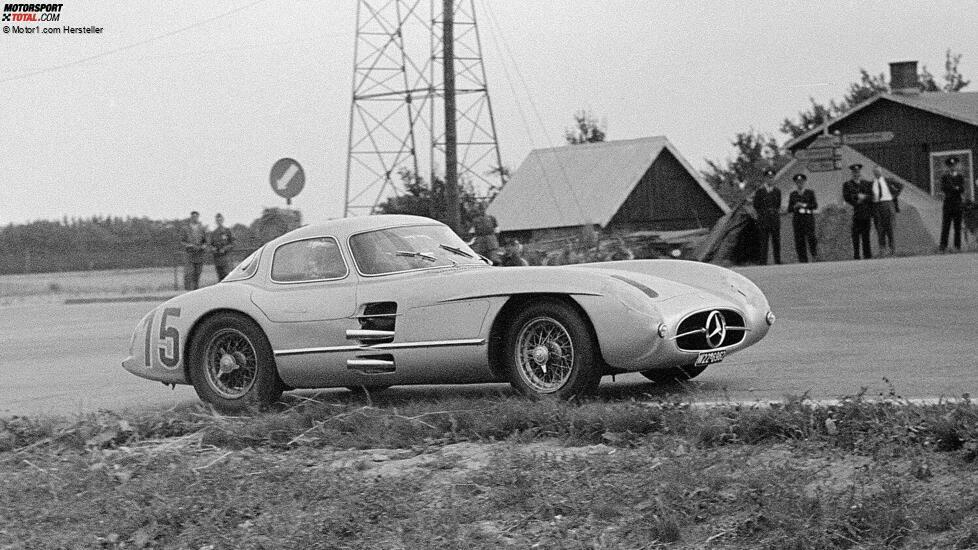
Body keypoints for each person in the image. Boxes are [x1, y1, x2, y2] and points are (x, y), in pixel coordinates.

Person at [842, 163, 874, 260]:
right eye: (854, 172)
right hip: (855, 212)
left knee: (866, 236)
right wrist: (856, 198)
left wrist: (864, 197)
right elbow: (847, 197)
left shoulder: (866, 184)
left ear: (860, 172)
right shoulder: (848, 184)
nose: (856, 173)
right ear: (852, 173)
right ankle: (856, 255)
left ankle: (867, 255)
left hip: (865, 212)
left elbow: (872, 196)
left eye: (858, 172)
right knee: (855, 235)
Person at [870, 165, 902, 256]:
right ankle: (882, 250)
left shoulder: (888, 180)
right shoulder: (873, 183)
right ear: (873, 173)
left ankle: (892, 250)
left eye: (878, 171)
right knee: (880, 228)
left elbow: (900, 186)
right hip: (877, 206)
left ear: (881, 172)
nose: (877, 173)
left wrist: (894, 196)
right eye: (875, 172)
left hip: (888, 204)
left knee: (890, 227)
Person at [752, 167, 782, 265]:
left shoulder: (777, 191)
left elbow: (778, 205)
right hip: (764, 220)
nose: (770, 179)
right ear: (765, 178)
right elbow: (756, 205)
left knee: (776, 241)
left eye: (772, 177)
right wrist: (764, 213)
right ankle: (763, 262)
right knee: (764, 242)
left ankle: (777, 260)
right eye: (769, 177)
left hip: (774, 219)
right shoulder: (760, 191)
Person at [787, 173, 818, 262]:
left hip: (808, 219)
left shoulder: (810, 193)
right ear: (796, 183)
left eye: (801, 182)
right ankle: (802, 259)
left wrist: (804, 205)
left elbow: (815, 205)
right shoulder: (793, 194)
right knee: (799, 240)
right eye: (798, 182)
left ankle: (814, 255)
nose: (799, 184)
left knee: (811, 238)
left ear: (804, 182)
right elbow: (789, 208)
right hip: (798, 219)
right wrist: (795, 206)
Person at [939, 156, 966, 252]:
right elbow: (944, 188)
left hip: (957, 204)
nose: (952, 167)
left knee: (957, 227)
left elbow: (962, 189)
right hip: (948, 204)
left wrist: (955, 189)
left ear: (956, 166)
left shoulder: (960, 176)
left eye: (954, 165)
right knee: (945, 226)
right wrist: (955, 188)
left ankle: (957, 246)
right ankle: (943, 246)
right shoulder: (945, 177)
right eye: (950, 166)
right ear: (948, 167)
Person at [180, 211, 207, 290]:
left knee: (197, 272)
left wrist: (203, 246)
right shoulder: (185, 229)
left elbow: (205, 241)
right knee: (189, 272)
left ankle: (196, 289)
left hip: (199, 254)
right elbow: (182, 241)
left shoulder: (202, 228)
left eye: (196, 216)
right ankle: (187, 289)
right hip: (189, 254)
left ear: (198, 217)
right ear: (191, 217)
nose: (195, 218)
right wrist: (189, 245)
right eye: (193, 216)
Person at [208, 213, 236, 281]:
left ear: (223, 220)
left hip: (226, 258)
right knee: (220, 277)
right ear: (216, 221)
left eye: (220, 220)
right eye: (217, 220)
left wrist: (225, 248)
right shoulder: (213, 233)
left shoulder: (228, 231)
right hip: (217, 258)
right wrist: (213, 249)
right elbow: (210, 244)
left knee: (228, 276)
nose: (219, 221)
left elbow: (233, 243)